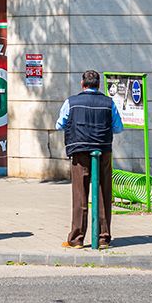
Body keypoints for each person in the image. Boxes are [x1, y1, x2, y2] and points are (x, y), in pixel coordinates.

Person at [56, 69, 124, 249]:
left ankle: (76, 239)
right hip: (103, 151)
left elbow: (59, 124)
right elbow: (118, 128)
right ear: (98, 85)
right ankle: (103, 238)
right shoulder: (108, 103)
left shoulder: (71, 102)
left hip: (79, 151)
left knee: (80, 195)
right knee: (103, 194)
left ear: (82, 83)